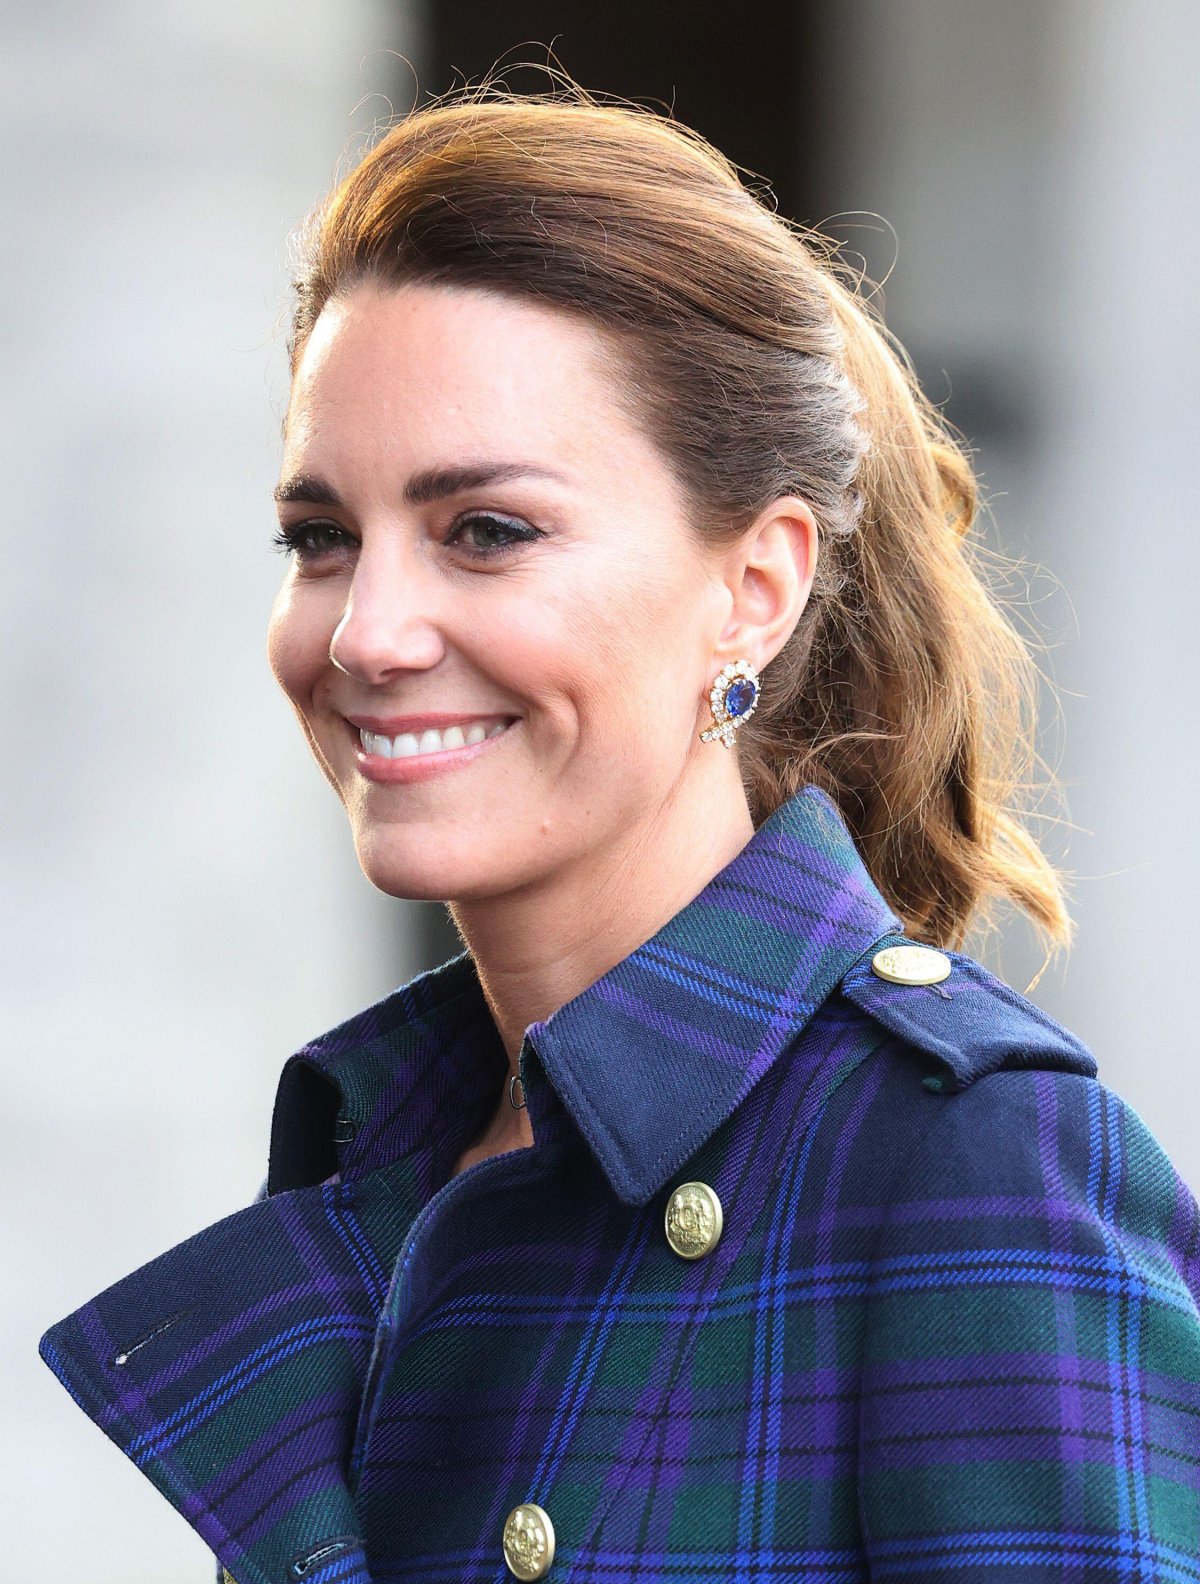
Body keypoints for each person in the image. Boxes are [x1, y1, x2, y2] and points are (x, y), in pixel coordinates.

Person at [40, 82, 1200, 1584]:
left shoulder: (971, 1160)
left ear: (758, 585)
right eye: (321, 538)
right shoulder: (396, 1153)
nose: (369, 632)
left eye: (488, 531)